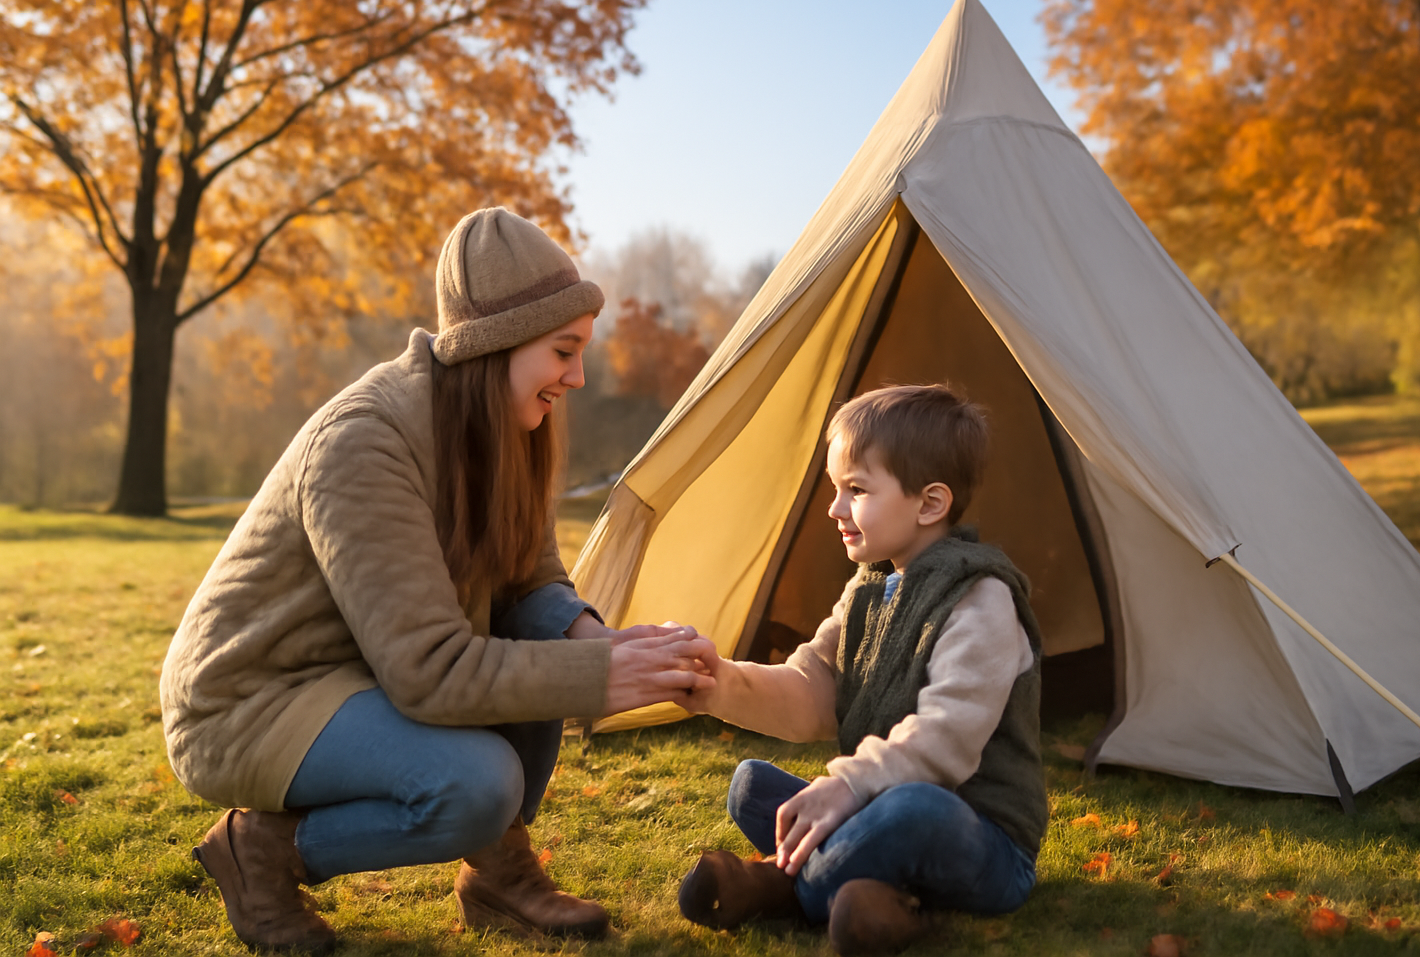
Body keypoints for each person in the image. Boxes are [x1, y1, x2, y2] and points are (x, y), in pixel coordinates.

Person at [159, 207, 713, 954]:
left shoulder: (502, 427)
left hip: (362, 672)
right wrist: (600, 675)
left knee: (548, 638)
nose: (577, 377)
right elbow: (429, 672)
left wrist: (596, 639)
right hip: (253, 698)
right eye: (563, 351)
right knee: (474, 785)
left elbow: (529, 581)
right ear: (498, 344)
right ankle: (260, 852)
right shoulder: (364, 440)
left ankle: (499, 874)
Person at [674, 384, 1046, 956]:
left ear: (929, 504)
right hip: (879, 807)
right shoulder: (871, 589)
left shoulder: (982, 601)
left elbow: (943, 740)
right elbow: (811, 690)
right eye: (836, 489)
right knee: (751, 785)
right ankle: (871, 901)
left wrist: (847, 785)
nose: (835, 508)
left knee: (912, 806)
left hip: (978, 837)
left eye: (856, 490)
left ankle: (779, 888)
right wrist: (717, 683)